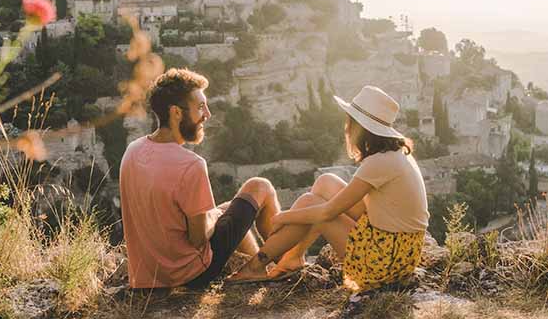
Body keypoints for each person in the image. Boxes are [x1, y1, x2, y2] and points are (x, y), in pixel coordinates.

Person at [229, 85, 430, 292]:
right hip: (399, 250)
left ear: (359, 127)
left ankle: (257, 265)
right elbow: (359, 206)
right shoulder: (395, 154)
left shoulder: (380, 162)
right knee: (326, 182)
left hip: (385, 263)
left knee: (314, 205)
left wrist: (281, 218)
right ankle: (292, 258)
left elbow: (328, 212)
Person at [119, 68, 281, 289]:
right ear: (176, 112)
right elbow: (199, 238)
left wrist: (216, 213)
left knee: (225, 211)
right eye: (200, 107)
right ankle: (283, 266)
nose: (208, 114)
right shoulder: (191, 165)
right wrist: (214, 214)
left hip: (148, 278)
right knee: (260, 187)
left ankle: (257, 268)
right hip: (189, 275)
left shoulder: (132, 151)